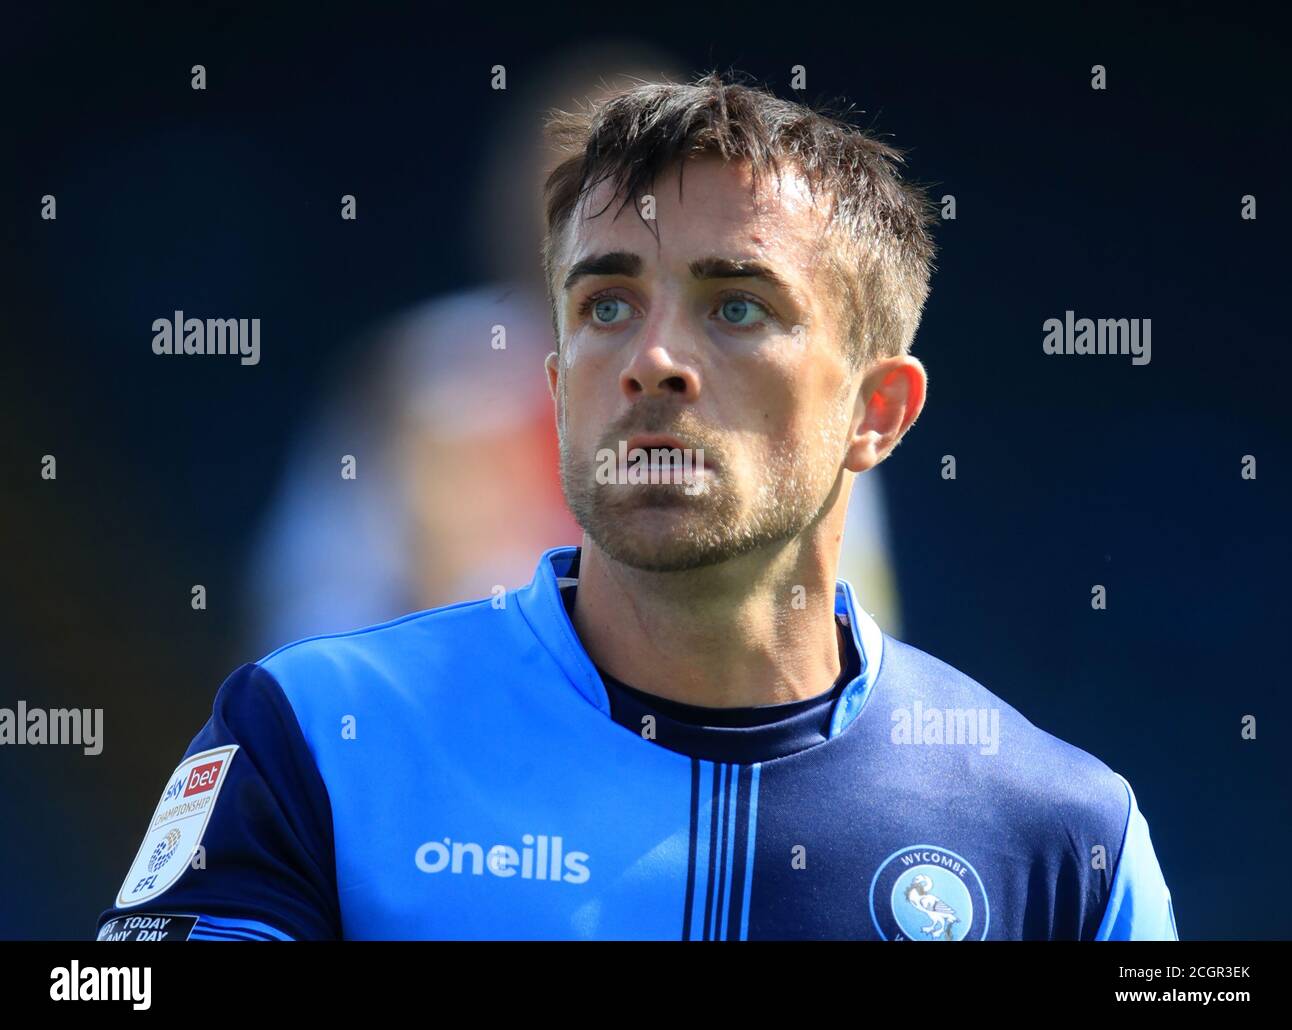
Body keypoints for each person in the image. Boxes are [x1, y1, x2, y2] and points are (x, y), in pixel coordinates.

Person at [93, 71, 1176, 941]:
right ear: (559, 384)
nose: (652, 358)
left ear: (877, 413)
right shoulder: (305, 739)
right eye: (606, 302)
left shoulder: (1067, 839)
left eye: (737, 305)